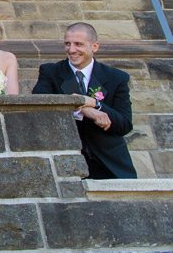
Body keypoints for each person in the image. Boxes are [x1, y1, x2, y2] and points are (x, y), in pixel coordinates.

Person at [33, 22, 137, 179]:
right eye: (67, 44)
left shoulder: (116, 77)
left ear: (94, 46)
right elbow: (40, 105)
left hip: (110, 165)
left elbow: (124, 125)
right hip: (66, 164)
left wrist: (96, 104)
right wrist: (84, 109)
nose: (71, 49)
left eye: (78, 44)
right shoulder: (51, 72)